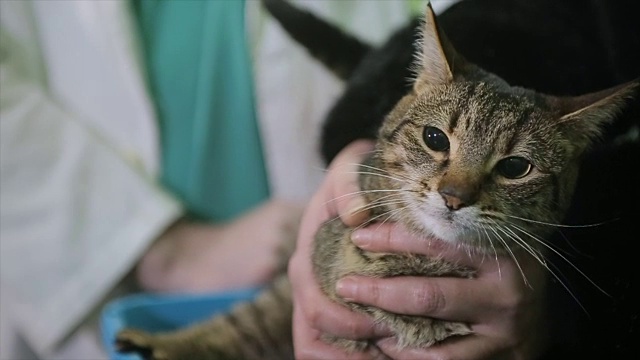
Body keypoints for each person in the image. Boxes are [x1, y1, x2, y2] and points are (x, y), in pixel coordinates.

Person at [0, 0, 549, 359]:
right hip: (92, 282)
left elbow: (538, 45)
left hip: (400, 222)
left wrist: (365, 152)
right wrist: (157, 245)